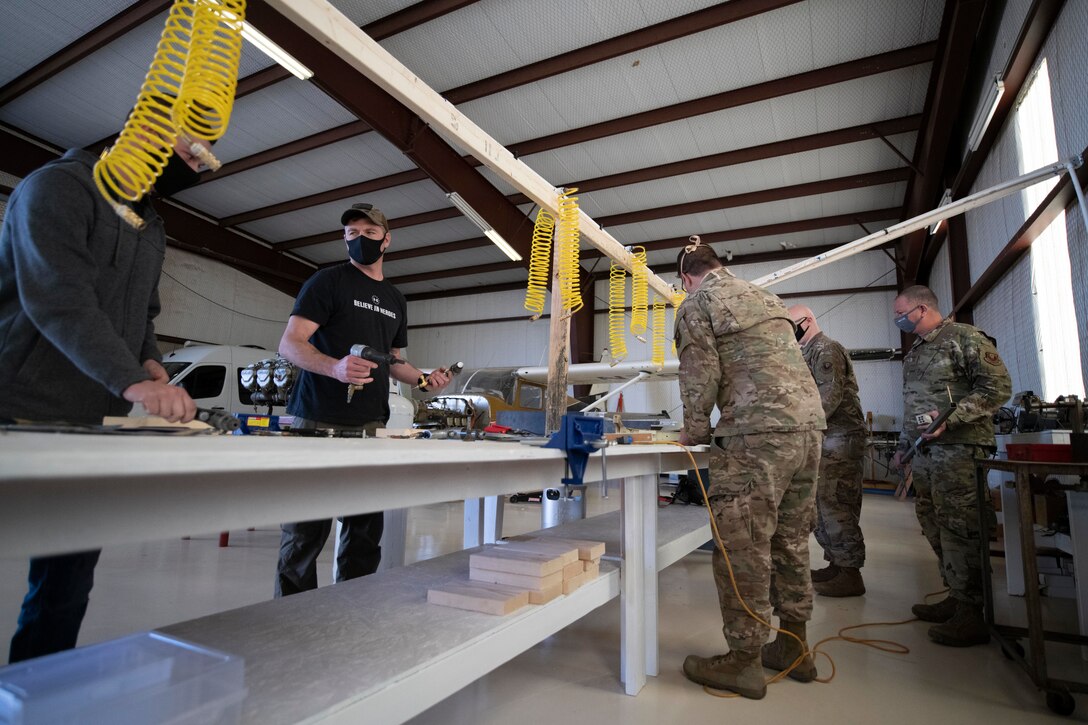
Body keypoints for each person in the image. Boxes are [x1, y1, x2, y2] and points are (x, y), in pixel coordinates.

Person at [0, 129, 207, 663]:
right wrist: (130, 380)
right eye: (188, 148)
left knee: (64, 586)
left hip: (92, 420)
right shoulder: (58, 187)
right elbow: (57, 294)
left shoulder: (149, 221)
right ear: (145, 129)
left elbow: (142, 315)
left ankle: (36, 690)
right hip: (16, 407)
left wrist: (150, 363)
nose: (197, 163)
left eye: (203, 156)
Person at [275, 202, 451, 597]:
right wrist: (335, 368)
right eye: (351, 234)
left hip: (371, 423)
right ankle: (289, 616)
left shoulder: (394, 298)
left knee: (364, 528)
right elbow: (290, 344)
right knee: (305, 531)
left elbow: (396, 363)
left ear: (386, 240)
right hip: (317, 421)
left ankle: (353, 607)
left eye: (369, 234)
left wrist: (424, 379)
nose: (359, 240)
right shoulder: (327, 282)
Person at [674, 239, 826, 699]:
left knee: (743, 546)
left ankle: (743, 663)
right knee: (791, 539)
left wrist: (693, 429)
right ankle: (795, 648)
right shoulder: (765, 297)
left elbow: (699, 371)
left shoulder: (697, 302)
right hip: (808, 429)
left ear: (685, 278)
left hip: (757, 434)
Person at [891, 285, 1010, 646]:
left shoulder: (964, 338)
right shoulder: (916, 353)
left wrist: (952, 418)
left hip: (959, 449)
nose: (898, 320)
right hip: (925, 454)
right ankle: (958, 596)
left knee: (962, 526)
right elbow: (913, 406)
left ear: (922, 309)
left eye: (902, 313)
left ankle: (973, 613)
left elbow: (997, 387)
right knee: (933, 522)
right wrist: (902, 448)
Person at [788, 305, 867, 597]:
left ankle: (850, 573)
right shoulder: (807, 352)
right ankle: (837, 563)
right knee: (822, 505)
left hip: (839, 440)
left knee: (837, 504)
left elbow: (827, 400)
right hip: (823, 440)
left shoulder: (826, 349)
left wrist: (795, 430)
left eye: (792, 326)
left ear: (807, 322)